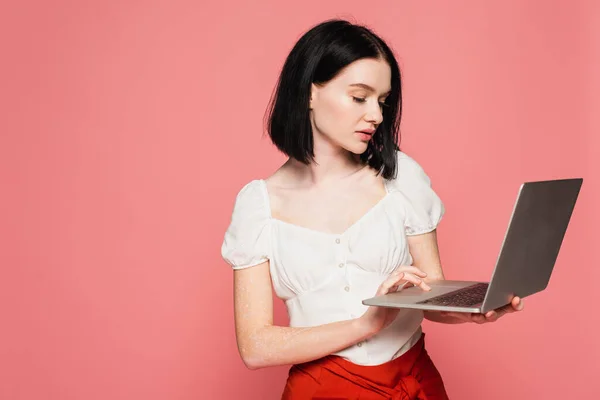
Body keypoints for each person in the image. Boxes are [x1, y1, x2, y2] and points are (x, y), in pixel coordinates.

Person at [220, 19, 524, 399]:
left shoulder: (401, 177)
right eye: (359, 97)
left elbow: (430, 296)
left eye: (382, 101)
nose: (377, 116)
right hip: (322, 391)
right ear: (310, 92)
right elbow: (255, 347)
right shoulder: (258, 206)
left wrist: (473, 308)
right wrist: (367, 323)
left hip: (414, 384)